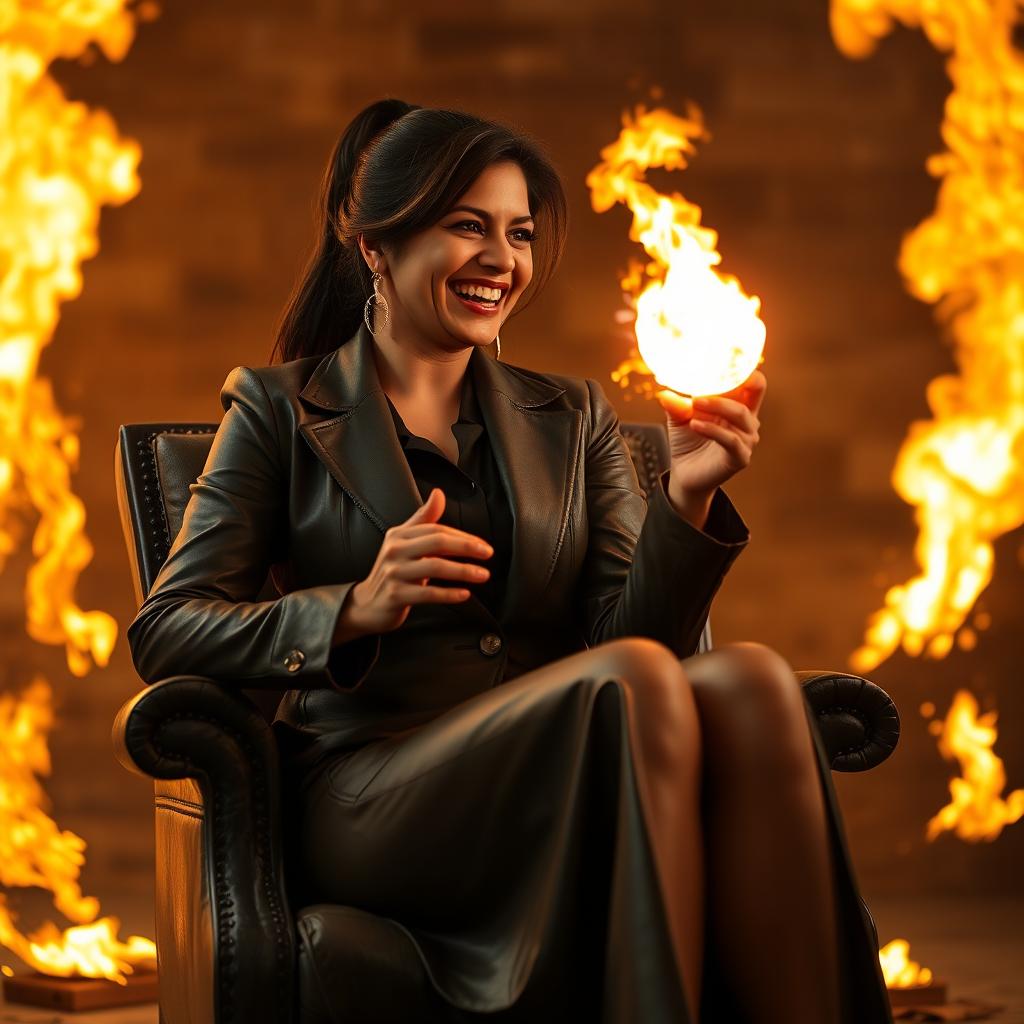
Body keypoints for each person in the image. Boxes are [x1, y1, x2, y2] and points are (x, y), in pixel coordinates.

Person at [126, 98, 892, 1023]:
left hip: (568, 764)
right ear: (375, 246)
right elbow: (169, 630)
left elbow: (634, 640)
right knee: (630, 684)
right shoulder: (279, 409)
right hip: (374, 790)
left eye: (519, 233)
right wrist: (355, 606)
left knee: (754, 683)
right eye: (466, 227)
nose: (502, 260)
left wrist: (684, 498)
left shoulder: (572, 416)